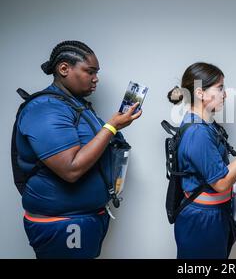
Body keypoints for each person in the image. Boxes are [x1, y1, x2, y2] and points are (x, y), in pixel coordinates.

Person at [15, 40, 142, 258]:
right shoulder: (45, 109)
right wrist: (111, 126)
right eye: (90, 71)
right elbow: (70, 169)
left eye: (97, 72)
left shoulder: (76, 105)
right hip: (63, 223)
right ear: (64, 69)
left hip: (84, 218)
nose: (96, 78)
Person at [167, 62, 236, 259]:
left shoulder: (205, 125)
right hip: (203, 220)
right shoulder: (198, 132)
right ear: (200, 93)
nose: (225, 94)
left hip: (213, 215)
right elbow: (222, 182)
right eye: (220, 88)